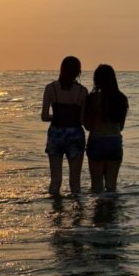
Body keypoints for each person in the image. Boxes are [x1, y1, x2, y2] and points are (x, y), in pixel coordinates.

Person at [41, 56, 87, 196]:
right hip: (75, 134)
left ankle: (56, 214)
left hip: (56, 134)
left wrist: (57, 116)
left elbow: (44, 116)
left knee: (55, 180)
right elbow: (82, 119)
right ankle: (78, 214)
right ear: (78, 71)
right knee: (75, 182)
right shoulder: (82, 91)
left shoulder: (50, 88)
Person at [83, 64, 128, 193]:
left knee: (97, 187)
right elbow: (121, 126)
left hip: (97, 141)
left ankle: (99, 212)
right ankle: (111, 212)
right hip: (114, 142)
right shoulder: (121, 98)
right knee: (111, 187)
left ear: (96, 80)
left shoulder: (92, 99)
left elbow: (87, 126)